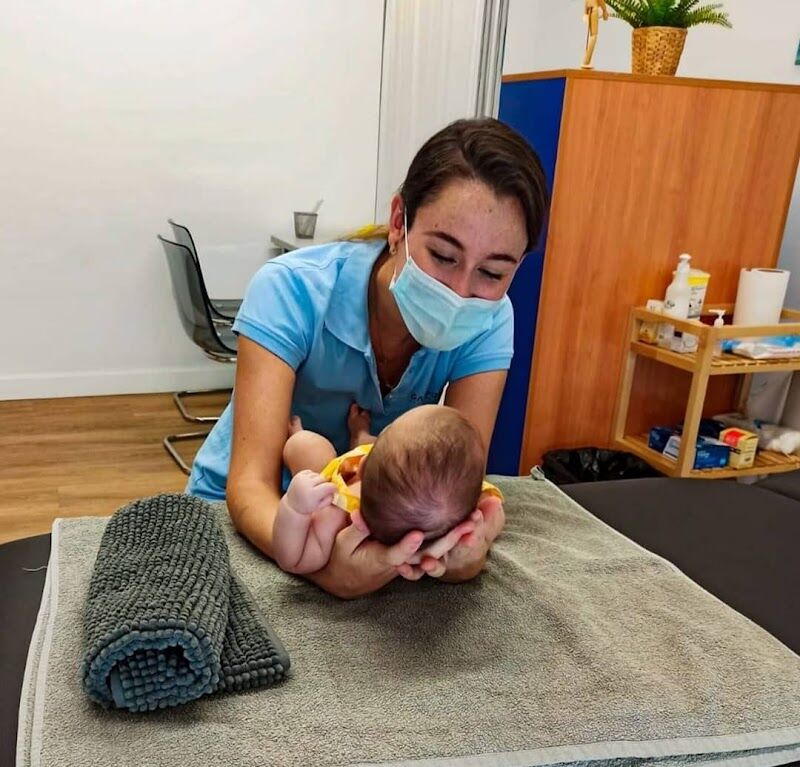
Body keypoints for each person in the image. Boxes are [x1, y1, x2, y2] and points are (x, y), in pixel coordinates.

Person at [187, 117, 548, 598]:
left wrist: (464, 548)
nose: (460, 292)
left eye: (492, 271)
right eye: (443, 256)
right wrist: (320, 565)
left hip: (376, 524)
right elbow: (249, 486)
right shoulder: (291, 290)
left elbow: (461, 475)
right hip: (262, 515)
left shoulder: (491, 319)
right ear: (399, 222)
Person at [273, 404, 504, 575]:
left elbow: (294, 560)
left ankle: (301, 434)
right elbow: (494, 508)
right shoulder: (455, 497)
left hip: (344, 474)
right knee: (393, 456)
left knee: (307, 447)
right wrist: (481, 533)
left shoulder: (338, 510)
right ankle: (361, 436)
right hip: (379, 467)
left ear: (363, 467)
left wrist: (295, 508)